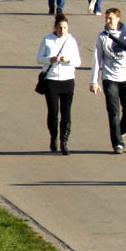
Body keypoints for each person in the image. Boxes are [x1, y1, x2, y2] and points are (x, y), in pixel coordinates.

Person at [90, 7, 126, 154]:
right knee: (113, 112)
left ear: (118, 19)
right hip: (109, 78)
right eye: (106, 18)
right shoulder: (102, 37)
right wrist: (94, 81)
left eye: (111, 18)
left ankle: (121, 131)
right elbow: (97, 59)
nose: (108, 21)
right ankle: (117, 143)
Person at [37, 13, 82, 155]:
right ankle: (54, 136)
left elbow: (78, 62)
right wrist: (50, 59)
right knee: (53, 112)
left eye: (65, 28)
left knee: (66, 113)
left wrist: (68, 60)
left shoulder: (71, 41)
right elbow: (39, 58)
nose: (62, 31)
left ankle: (64, 142)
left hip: (67, 80)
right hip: (51, 80)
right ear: (55, 27)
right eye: (60, 28)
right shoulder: (47, 40)